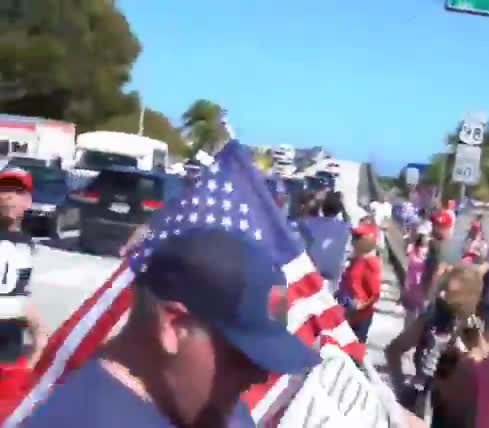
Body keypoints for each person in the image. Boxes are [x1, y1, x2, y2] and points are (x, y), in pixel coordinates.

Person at [21, 228, 321, 427]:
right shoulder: (78, 419)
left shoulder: (206, 407)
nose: (260, 375)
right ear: (174, 326)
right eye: (242, 356)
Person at [385, 265, 484, 426]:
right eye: (442, 291)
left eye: (450, 296)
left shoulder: (472, 329)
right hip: (424, 403)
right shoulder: (430, 319)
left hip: (455, 414)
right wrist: (401, 389)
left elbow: (482, 371)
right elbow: (394, 349)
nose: (442, 297)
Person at [0, 169, 45, 368]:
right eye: (3, 189)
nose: (8, 196)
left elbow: (19, 292)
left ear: (27, 201)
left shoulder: (26, 245)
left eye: (17, 191)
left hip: (9, 344)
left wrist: (38, 333)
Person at [297, 192, 351, 295]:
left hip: (314, 267)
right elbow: (348, 219)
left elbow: (300, 219)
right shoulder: (344, 226)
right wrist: (342, 205)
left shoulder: (312, 223)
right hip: (334, 270)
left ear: (322, 208)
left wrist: (315, 202)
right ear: (339, 210)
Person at [338, 224, 382, 343]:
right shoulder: (355, 259)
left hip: (359, 316)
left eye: (357, 237)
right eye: (353, 236)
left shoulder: (371, 263)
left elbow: (375, 293)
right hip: (346, 311)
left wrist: (360, 306)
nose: (353, 240)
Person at [419, 210, 455, 302]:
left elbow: (439, 272)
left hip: (434, 297)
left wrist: (429, 296)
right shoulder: (435, 243)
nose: (433, 227)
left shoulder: (443, 247)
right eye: (433, 224)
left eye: (437, 226)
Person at [403, 233, 429, 324]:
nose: (422, 248)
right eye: (422, 245)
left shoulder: (416, 252)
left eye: (424, 245)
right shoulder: (413, 251)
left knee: (416, 311)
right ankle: (409, 331)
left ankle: (411, 331)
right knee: (413, 311)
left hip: (417, 285)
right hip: (413, 284)